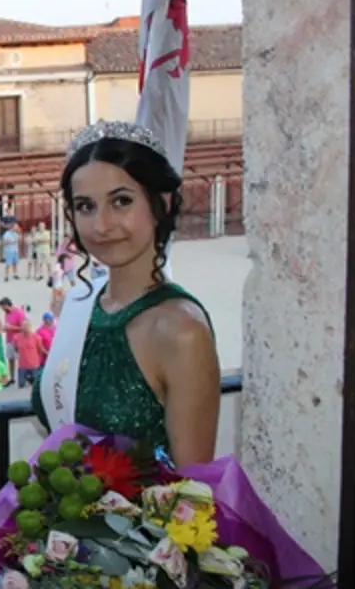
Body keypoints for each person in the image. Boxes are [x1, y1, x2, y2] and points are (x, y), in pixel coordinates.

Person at [34, 121, 220, 468]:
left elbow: (194, 489)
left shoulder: (181, 331)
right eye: (86, 206)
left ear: (160, 203)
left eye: (121, 201)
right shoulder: (82, 306)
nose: (101, 225)